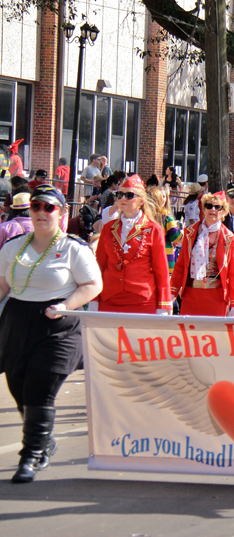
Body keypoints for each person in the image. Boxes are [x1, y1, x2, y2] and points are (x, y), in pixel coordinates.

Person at [0, 184, 102, 483]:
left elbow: (93, 286)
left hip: (58, 324)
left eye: (49, 207)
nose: (41, 213)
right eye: (36, 207)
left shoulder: (73, 247)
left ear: (61, 212)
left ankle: (30, 455)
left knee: (39, 387)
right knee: (18, 386)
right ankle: (43, 439)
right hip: (18, 320)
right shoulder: (12, 247)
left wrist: (65, 305)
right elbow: (3, 286)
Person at [95, 174, 173, 314]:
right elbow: (99, 266)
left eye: (129, 195)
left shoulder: (154, 229)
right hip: (109, 300)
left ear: (141, 201)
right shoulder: (108, 228)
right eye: (120, 195)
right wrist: (94, 300)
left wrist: (163, 305)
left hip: (142, 302)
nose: (123, 199)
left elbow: (161, 271)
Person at [171, 192, 234, 316]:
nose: (212, 209)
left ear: (224, 211)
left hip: (217, 297)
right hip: (191, 295)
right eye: (209, 206)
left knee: (213, 335)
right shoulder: (190, 232)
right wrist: (171, 293)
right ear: (203, 209)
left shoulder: (229, 238)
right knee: (189, 334)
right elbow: (180, 266)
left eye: (217, 207)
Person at [144, 186, 183, 275]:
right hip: (164, 257)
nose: (163, 200)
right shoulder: (166, 216)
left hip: (146, 259)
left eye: (165, 196)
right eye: (161, 197)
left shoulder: (143, 216)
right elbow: (177, 237)